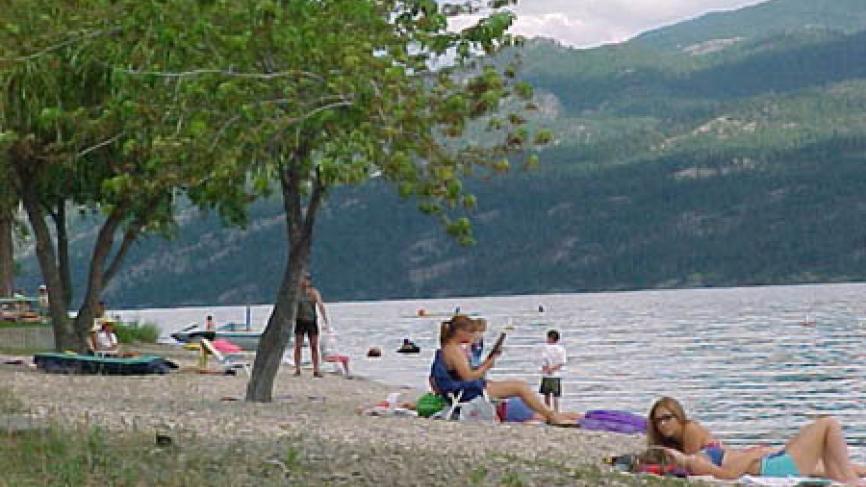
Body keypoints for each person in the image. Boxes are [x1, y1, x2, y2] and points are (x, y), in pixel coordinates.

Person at [647, 396, 866, 483]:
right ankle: (851, 482)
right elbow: (728, 475)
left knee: (826, 465)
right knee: (828, 424)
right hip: (769, 466)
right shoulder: (694, 460)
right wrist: (750, 454)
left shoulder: (692, 444)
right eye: (659, 421)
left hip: (767, 463)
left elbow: (726, 469)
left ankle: (848, 476)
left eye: (667, 418)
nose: (663, 424)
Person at [434, 315, 574, 425]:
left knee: (518, 386)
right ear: (460, 332)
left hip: (460, 390)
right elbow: (469, 377)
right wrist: (486, 366)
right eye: (470, 332)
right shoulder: (455, 350)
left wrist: (486, 364)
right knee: (520, 387)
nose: (472, 336)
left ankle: (550, 414)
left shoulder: (447, 348)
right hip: (467, 392)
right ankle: (552, 416)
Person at [293, 272, 329, 377]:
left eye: (306, 279)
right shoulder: (297, 293)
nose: (305, 282)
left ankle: (316, 369)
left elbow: (320, 305)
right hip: (300, 321)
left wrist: (325, 319)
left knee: (314, 346)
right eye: (303, 279)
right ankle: (297, 368)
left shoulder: (314, 292)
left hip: (311, 321)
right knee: (298, 345)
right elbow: (292, 307)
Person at [539, 329, 567, 412]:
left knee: (546, 395)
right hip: (556, 375)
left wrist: (547, 369)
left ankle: (547, 411)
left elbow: (543, 362)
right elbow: (562, 362)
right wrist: (553, 369)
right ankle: (556, 411)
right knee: (556, 395)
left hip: (546, 375)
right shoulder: (561, 349)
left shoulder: (545, 348)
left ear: (550, 338)